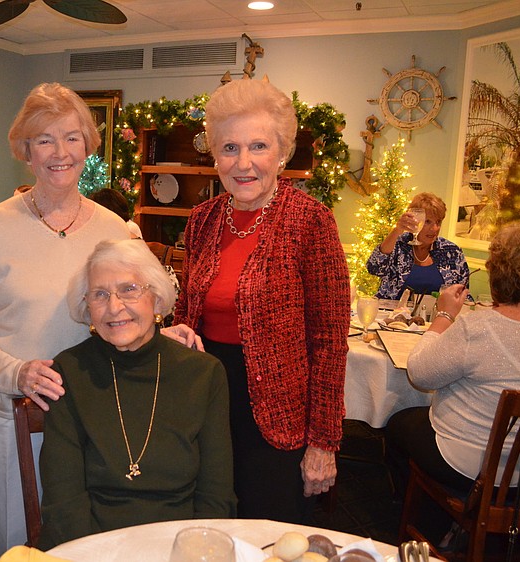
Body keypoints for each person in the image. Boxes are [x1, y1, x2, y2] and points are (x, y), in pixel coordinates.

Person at [0, 82, 198, 560]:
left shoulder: (114, 229)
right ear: (26, 149)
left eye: (72, 137)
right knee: (19, 540)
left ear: (88, 145)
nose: (60, 152)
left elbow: (125, 311)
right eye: (44, 139)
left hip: (94, 409)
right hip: (13, 409)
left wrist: (160, 335)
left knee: (90, 537)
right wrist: (16, 372)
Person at [172, 78, 349, 523]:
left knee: (268, 534)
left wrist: (323, 442)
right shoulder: (203, 219)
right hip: (206, 407)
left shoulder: (311, 222)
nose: (243, 163)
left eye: (258, 146)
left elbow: (330, 343)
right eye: (230, 148)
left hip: (278, 416)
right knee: (208, 526)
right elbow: (186, 314)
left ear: (282, 153)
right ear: (215, 156)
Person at [38, 239, 236, 549]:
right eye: (100, 294)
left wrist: (196, 550)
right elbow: (63, 502)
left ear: (157, 300)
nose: (114, 307)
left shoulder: (203, 373)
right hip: (94, 547)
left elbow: (216, 494)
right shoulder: (69, 373)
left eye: (129, 289)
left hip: (180, 544)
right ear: (87, 308)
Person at [386, 219, 520, 500]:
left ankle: (426, 514)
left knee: (398, 424)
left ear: (500, 272)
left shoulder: (479, 328)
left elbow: (420, 374)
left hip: (468, 465)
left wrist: (444, 315)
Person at [367, 192, 470, 299]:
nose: (434, 228)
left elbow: (463, 294)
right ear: (415, 220)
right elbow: (374, 268)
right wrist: (397, 230)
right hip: (394, 309)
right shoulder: (399, 244)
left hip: (437, 310)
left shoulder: (451, 251)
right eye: (427, 222)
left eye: (438, 222)